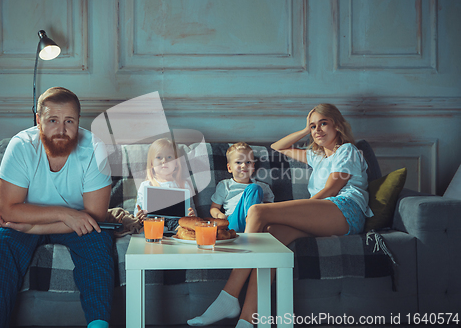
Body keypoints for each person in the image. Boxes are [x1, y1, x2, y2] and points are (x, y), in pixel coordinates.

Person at [187, 104, 373, 328]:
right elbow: (279, 146)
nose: (318, 130)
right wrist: (306, 130)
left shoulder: (347, 150)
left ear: (337, 124)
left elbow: (332, 190)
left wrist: (300, 209)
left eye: (323, 123)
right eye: (314, 126)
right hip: (323, 213)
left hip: (345, 209)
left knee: (257, 210)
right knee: (271, 238)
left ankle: (228, 296)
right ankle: (247, 319)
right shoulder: (318, 157)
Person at [0, 87, 113, 328]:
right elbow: (8, 210)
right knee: (1, 239)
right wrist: (65, 213)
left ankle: (98, 324)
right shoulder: (20, 146)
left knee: (98, 238)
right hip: (43, 220)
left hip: (71, 224)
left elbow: (96, 215)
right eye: (52, 120)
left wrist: (33, 227)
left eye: (69, 121)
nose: (61, 130)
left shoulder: (95, 148)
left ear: (78, 120)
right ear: (38, 120)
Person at [207, 142, 274, 232]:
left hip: (258, 223)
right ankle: (250, 225)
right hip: (234, 223)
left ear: (253, 167)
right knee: (254, 188)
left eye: (248, 162)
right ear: (229, 168)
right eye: (238, 162)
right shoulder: (225, 185)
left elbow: (270, 209)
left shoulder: (263, 187)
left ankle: (252, 227)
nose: (244, 166)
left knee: (255, 188)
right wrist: (220, 215)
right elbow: (214, 208)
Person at [134, 138, 194, 225]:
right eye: (159, 157)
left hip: (178, 226)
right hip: (153, 225)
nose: (164, 161)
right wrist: (139, 215)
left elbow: (192, 212)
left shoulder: (184, 185)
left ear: (176, 163)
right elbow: (137, 212)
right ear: (151, 163)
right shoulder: (146, 185)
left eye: (169, 157)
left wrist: (192, 216)